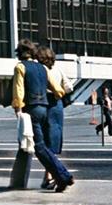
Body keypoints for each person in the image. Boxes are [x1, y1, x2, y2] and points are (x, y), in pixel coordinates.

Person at [12, 39, 74, 192]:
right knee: (43, 146)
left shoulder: (20, 67)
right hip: (45, 109)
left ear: (20, 54)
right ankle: (59, 176)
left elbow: (18, 90)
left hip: (31, 108)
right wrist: (57, 95)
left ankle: (63, 176)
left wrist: (18, 108)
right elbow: (58, 89)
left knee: (39, 147)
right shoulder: (42, 68)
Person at [36, 46, 73, 189]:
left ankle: (52, 176)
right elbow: (69, 87)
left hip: (44, 102)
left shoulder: (40, 70)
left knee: (43, 141)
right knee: (53, 139)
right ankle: (49, 176)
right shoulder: (58, 69)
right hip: (57, 105)